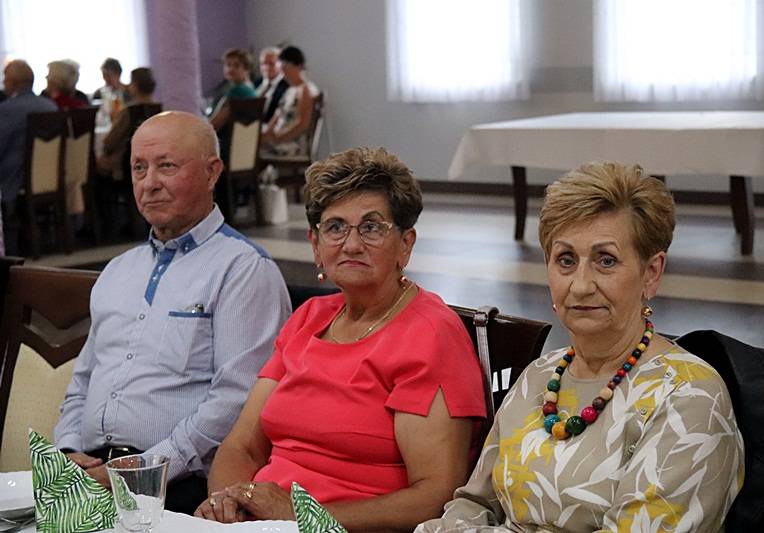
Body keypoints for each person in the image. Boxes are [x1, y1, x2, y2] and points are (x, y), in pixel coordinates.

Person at [416, 162, 744, 533]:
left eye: (606, 261)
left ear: (651, 273)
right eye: (566, 260)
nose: (581, 285)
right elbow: (472, 503)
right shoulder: (540, 376)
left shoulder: (689, 397)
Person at [194, 147, 487, 530]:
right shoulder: (309, 318)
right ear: (316, 245)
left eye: (371, 227)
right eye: (335, 227)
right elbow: (242, 446)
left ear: (406, 243)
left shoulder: (430, 336)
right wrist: (226, 505)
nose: (351, 244)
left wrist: (302, 517)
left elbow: (436, 495)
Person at [53, 111, 291, 514]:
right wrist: (67, 451)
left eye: (166, 166)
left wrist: (145, 468)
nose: (149, 183)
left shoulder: (242, 269)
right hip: (87, 476)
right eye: (139, 168)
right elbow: (83, 380)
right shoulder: (118, 270)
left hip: (175, 488)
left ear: (212, 172)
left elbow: (236, 399)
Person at [0, 59, 58, 255]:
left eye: (4, 79)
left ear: (12, 83)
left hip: (14, 178)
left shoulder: (7, 110)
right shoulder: (50, 106)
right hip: (48, 176)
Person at [97, 67, 157, 179]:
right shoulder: (160, 111)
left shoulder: (129, 112)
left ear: (134, 86)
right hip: (154, 162)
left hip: (127, 165)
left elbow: (109, 141)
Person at [259, 45, 319, 157]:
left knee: (251, 153)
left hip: (292, 143)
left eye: (286, 69)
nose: (284, 74)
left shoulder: (306, 90)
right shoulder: (290, 90)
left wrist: (278, 139)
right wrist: (266, 134)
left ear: (298, 66)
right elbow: (277, 116)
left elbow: (303, 124)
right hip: (280, 137)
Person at [208, 48, 257, 130]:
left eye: (236, 65)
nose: (230, 69)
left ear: (247, 69)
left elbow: (214, 124)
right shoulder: (251, 88)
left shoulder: (238, 91)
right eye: (228, 65)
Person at [255, 47, 289, 124]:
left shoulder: (288, 87)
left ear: (281, 64)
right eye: (263, 63)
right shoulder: (255, 83)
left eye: (271, 63)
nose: (266, 67)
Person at [91, 57, 131, 123]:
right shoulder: (98, 94)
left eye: (108, 75)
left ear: (118, 74)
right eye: (104, 75)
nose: (105, 79)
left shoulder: (130, 91)